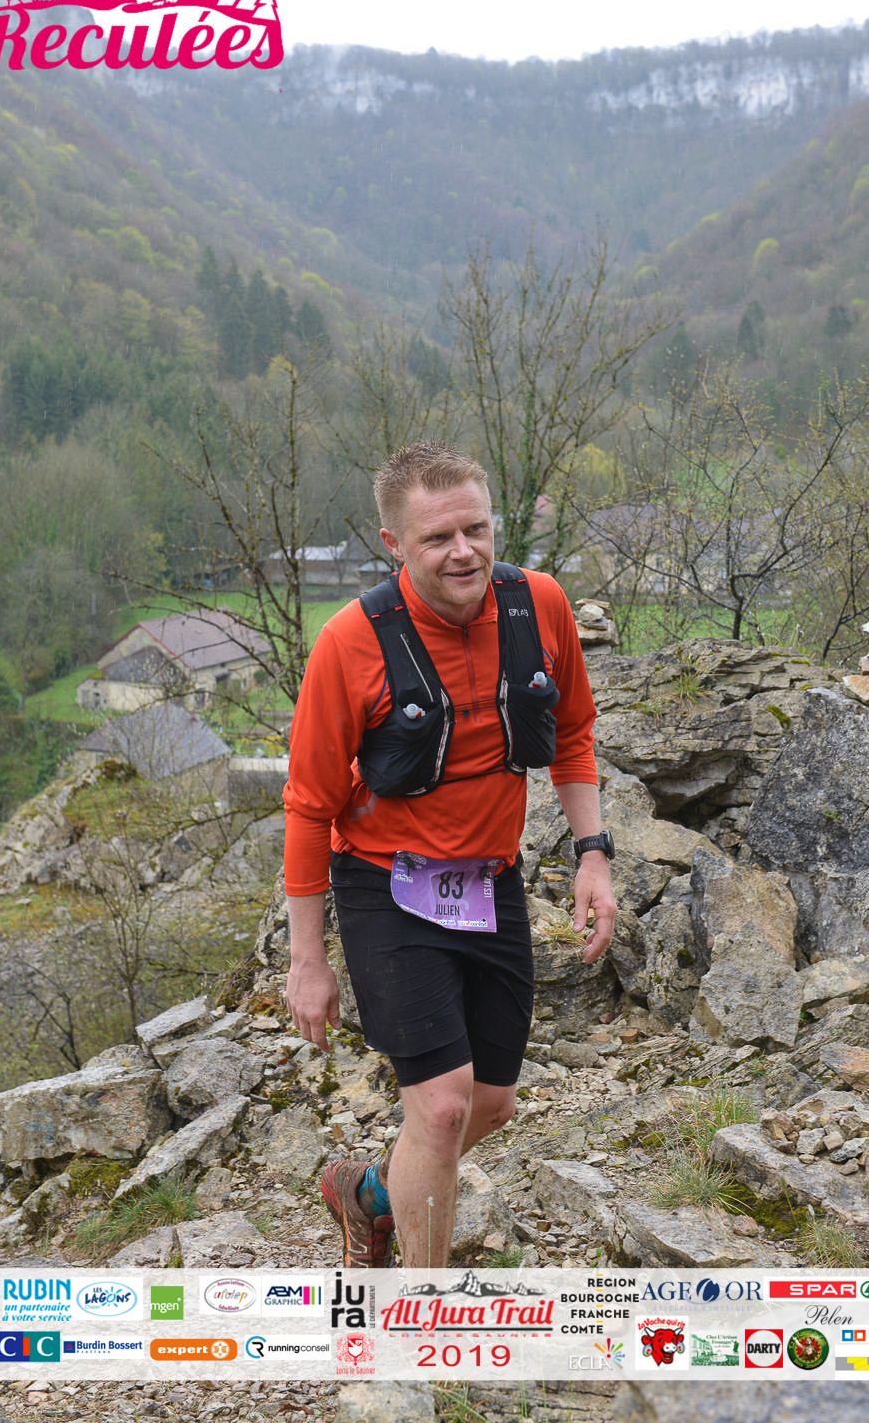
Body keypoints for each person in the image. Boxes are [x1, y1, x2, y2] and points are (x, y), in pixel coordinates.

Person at [282, 441, 616, 1269]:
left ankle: (366, 1193)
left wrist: (592, 855)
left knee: (491, 1106)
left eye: (476, 529)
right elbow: (309, 805)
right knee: (438, 1109)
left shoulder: (538, 606)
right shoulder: (350, 643)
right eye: (437, 538)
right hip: (385, 886)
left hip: (488, 883)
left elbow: (572, 732)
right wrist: (307, 960)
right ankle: (420, 1317)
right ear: (393, 544)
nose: (463, 551)